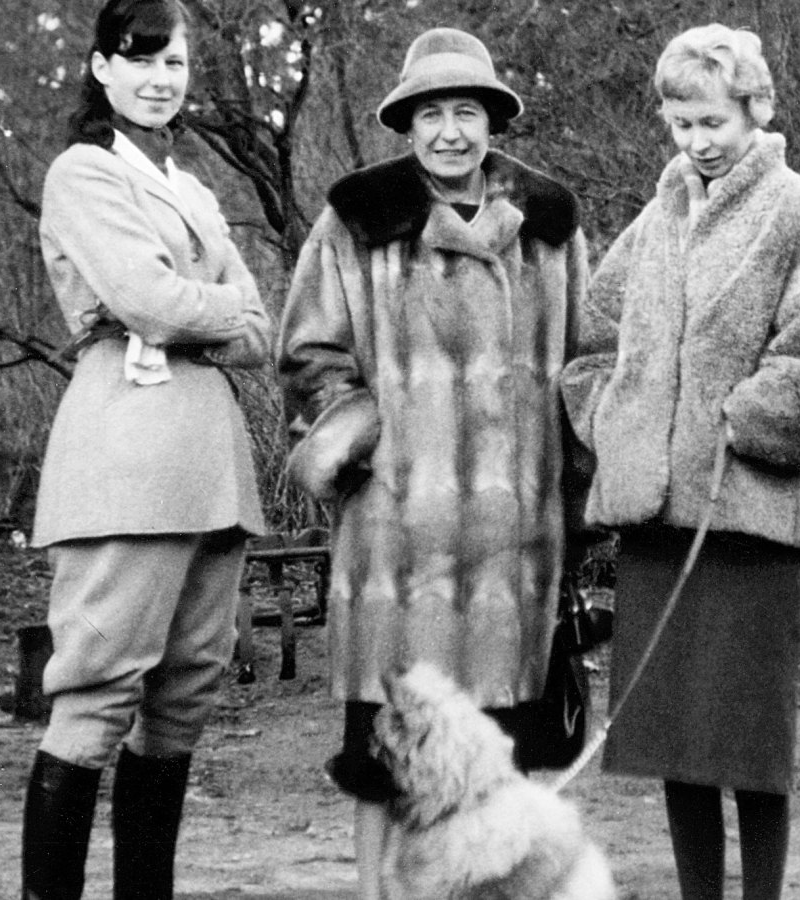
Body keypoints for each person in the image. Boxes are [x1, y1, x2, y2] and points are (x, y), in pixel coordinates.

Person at [561, 23, 800, 900]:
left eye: (712, 123)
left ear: (758, 110)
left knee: (749, 747)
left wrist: (743, 417)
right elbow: (591, 347)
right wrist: (617, 422)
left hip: (750, 529)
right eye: (679, 125)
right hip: (658, 530)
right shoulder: (658, 216)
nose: (697, 143)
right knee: (674, 740)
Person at [276, 27, 589, 900]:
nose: (450, 131)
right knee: (383, 746)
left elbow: (588, 358)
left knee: (513, 745)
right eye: (431, 114)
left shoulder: (551, 226)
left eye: (467, 111)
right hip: (393, 540)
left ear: (492, 120)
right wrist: (359, 430)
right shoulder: (356, 221)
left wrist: (583, 489)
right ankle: (379, 894)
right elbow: (306, 352)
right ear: (406, 124)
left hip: (518, 540)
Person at [22, 1, 272, 897]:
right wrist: (200, 309)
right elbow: (148, 301)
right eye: (141, 58)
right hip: (124, 454)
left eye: (175, 60)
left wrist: (191, 311)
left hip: (209, 458)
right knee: (96, 695)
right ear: (102, 68)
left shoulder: (195, 190)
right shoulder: (82, 173)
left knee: (181, 703)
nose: (162, 76)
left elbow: (258, 328)